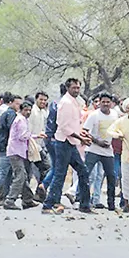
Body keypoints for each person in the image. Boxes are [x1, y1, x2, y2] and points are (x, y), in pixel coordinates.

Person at [42, 79, 93, 215]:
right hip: (63, 142)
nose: (76, 90)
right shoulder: (65, 103)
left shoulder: (74, 102)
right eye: (74, 88)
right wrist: (81, 138)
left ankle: (84, 204)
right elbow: (63, 126)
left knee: (83, 171)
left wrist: (81, 134)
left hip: (71, 142)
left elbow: (73, 124)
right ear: (67, 88)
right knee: (60, 173)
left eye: (78, 88)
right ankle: (48, 204)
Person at [82, 92, 118, 211]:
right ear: (99, 102)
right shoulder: (94, 115)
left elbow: (117, 130)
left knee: (111, 177)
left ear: (111, 103)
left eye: (108, 102)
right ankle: (83, 202)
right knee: (86, 175)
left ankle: (111, 203)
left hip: (108, 151)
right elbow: (85, 131)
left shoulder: (114, 115)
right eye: (103, 102)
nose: (105, 104)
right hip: (93, 149)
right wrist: (97, 141)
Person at [0, 94, 22, 206]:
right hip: (5, 145)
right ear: (11, 103)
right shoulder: (11, 114)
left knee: (7, 172)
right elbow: (13, 130)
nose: (19, 106)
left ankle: (3, 196)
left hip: (1, 144)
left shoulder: (6, 113)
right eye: (17, 104)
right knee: (2, 170)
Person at [3, 101, 39, 210]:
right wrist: (34, 136)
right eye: (26, 110)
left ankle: (27, 200)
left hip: (17, 151)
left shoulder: (22, 120)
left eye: (29, 110)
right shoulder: (21, 120)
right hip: (16, 151)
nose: (28, 112)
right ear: (21, 110)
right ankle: (10, 199)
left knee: (22, 175)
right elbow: (22, 136)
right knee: (20, 176)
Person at [29, 91, 51, 199]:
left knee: (45, 168)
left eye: (45, 100)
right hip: (31, 145)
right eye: (41, 99)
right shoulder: (32, 112)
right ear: (36, 99)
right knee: (46, 167)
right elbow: (27, 131)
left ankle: (38, 193)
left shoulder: (43, 113)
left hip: (38, 146)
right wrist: (37, 135)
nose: (43, 102)